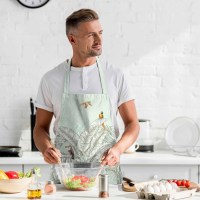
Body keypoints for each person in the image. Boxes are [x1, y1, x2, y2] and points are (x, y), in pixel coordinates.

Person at [34, 8, 140, 184]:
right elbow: (40, 128)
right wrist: (46, 148)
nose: (99, 40)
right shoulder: (51, 79)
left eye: (100, 33)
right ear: (72, 39)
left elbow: (133, 124)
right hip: (65, 177)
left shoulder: (115, 75)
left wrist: (118, 150)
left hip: (105, 175)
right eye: (91, 35)